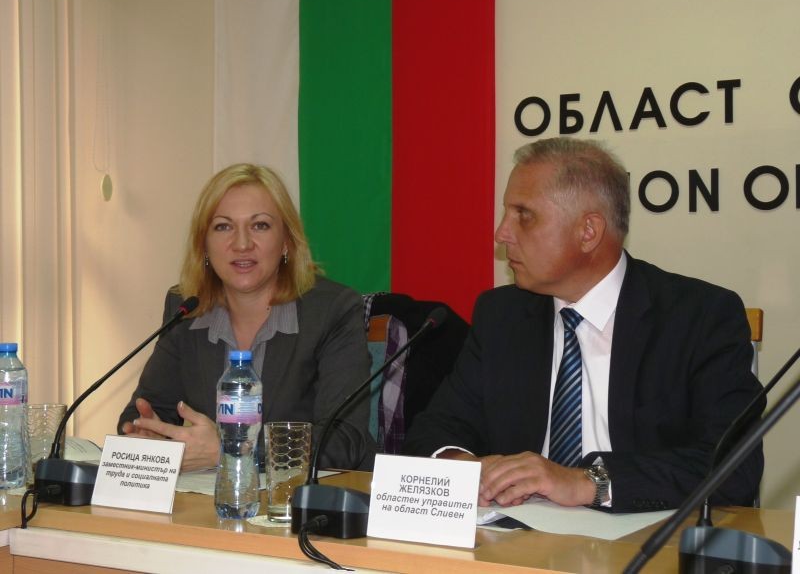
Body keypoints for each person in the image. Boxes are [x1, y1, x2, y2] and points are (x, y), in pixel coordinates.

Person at [402, 138, 763, 513]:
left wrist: (588, 482)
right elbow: (434, 430)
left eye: (524, 215)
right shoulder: (501, 315)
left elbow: (734, 467)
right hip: (519, 535)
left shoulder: (699, 317)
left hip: (645, 533)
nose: (501, 233)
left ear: (588, 231)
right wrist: (466, 469)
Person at [118, 163, 374, 472]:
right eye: (223, 227)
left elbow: (344, 441)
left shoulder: (332, 310)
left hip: (301, 497)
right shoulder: (186, 309)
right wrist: (149, 434)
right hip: (212, 498)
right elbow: (146, 410)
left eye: (260, 225)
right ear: (203, 245)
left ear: (286, 241)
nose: (241, 244)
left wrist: (232, 451)